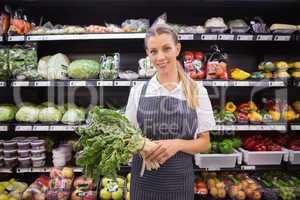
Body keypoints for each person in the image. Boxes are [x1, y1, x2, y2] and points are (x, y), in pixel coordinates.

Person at [125, 24, 216, 200]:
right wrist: (139, 145)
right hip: (144, 183)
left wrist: (178, 144)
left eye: (166, 48)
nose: (160, 57)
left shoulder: (197, 90)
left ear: (177, 48)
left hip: (179, 183)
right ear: (147, 54)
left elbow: (205, 143)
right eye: (153, 51)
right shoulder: (138, 91)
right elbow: (128, 136)